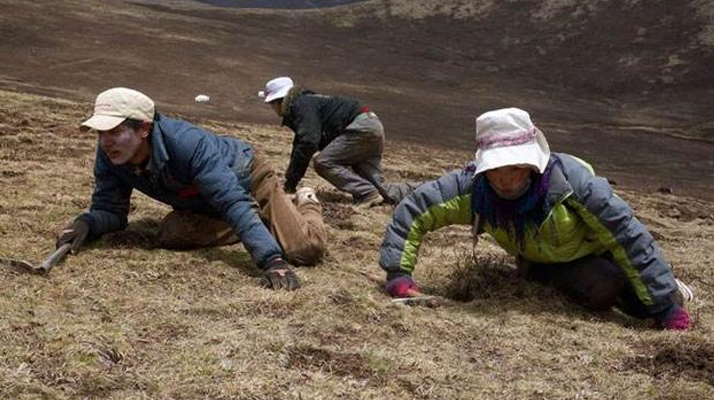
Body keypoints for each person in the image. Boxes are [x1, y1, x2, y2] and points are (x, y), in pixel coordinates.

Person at [378, 107, 694, 330]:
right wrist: (398, 274)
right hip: (539, 263)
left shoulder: (572, 184)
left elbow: (626, 234)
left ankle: (667, 291)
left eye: (515, 167)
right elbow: (415, 210)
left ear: (531, 165)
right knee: (604, 287)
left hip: (594, 251)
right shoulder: (472, 189)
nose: (505, 179)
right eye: (495, 170)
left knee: (643, 305)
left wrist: (665, 306)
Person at [56, 87, 327, 290]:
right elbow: (111, 211)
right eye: (100, 132)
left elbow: (231, 201)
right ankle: (257, 223)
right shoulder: (111, 155)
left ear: (144, 129)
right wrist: (87, 224)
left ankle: (305, 202)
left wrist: (271, 261)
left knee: (304, 250)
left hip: (248, 178)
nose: (105, 141)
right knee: (172, 233)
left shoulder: (188, 144)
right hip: (203, 201)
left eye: (114, 131)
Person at [259, 76, 415, 209]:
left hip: (359, 128)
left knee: (323, 162)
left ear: (278, 101)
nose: (272, 109)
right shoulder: (311, 102)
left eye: (271, 104)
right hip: (372, 125)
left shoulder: (300, 105)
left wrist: (290, 186)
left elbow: (308, 141)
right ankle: (425, 190)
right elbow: (301, 142)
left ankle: (367, 193)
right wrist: (290, 185)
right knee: (383, 190)